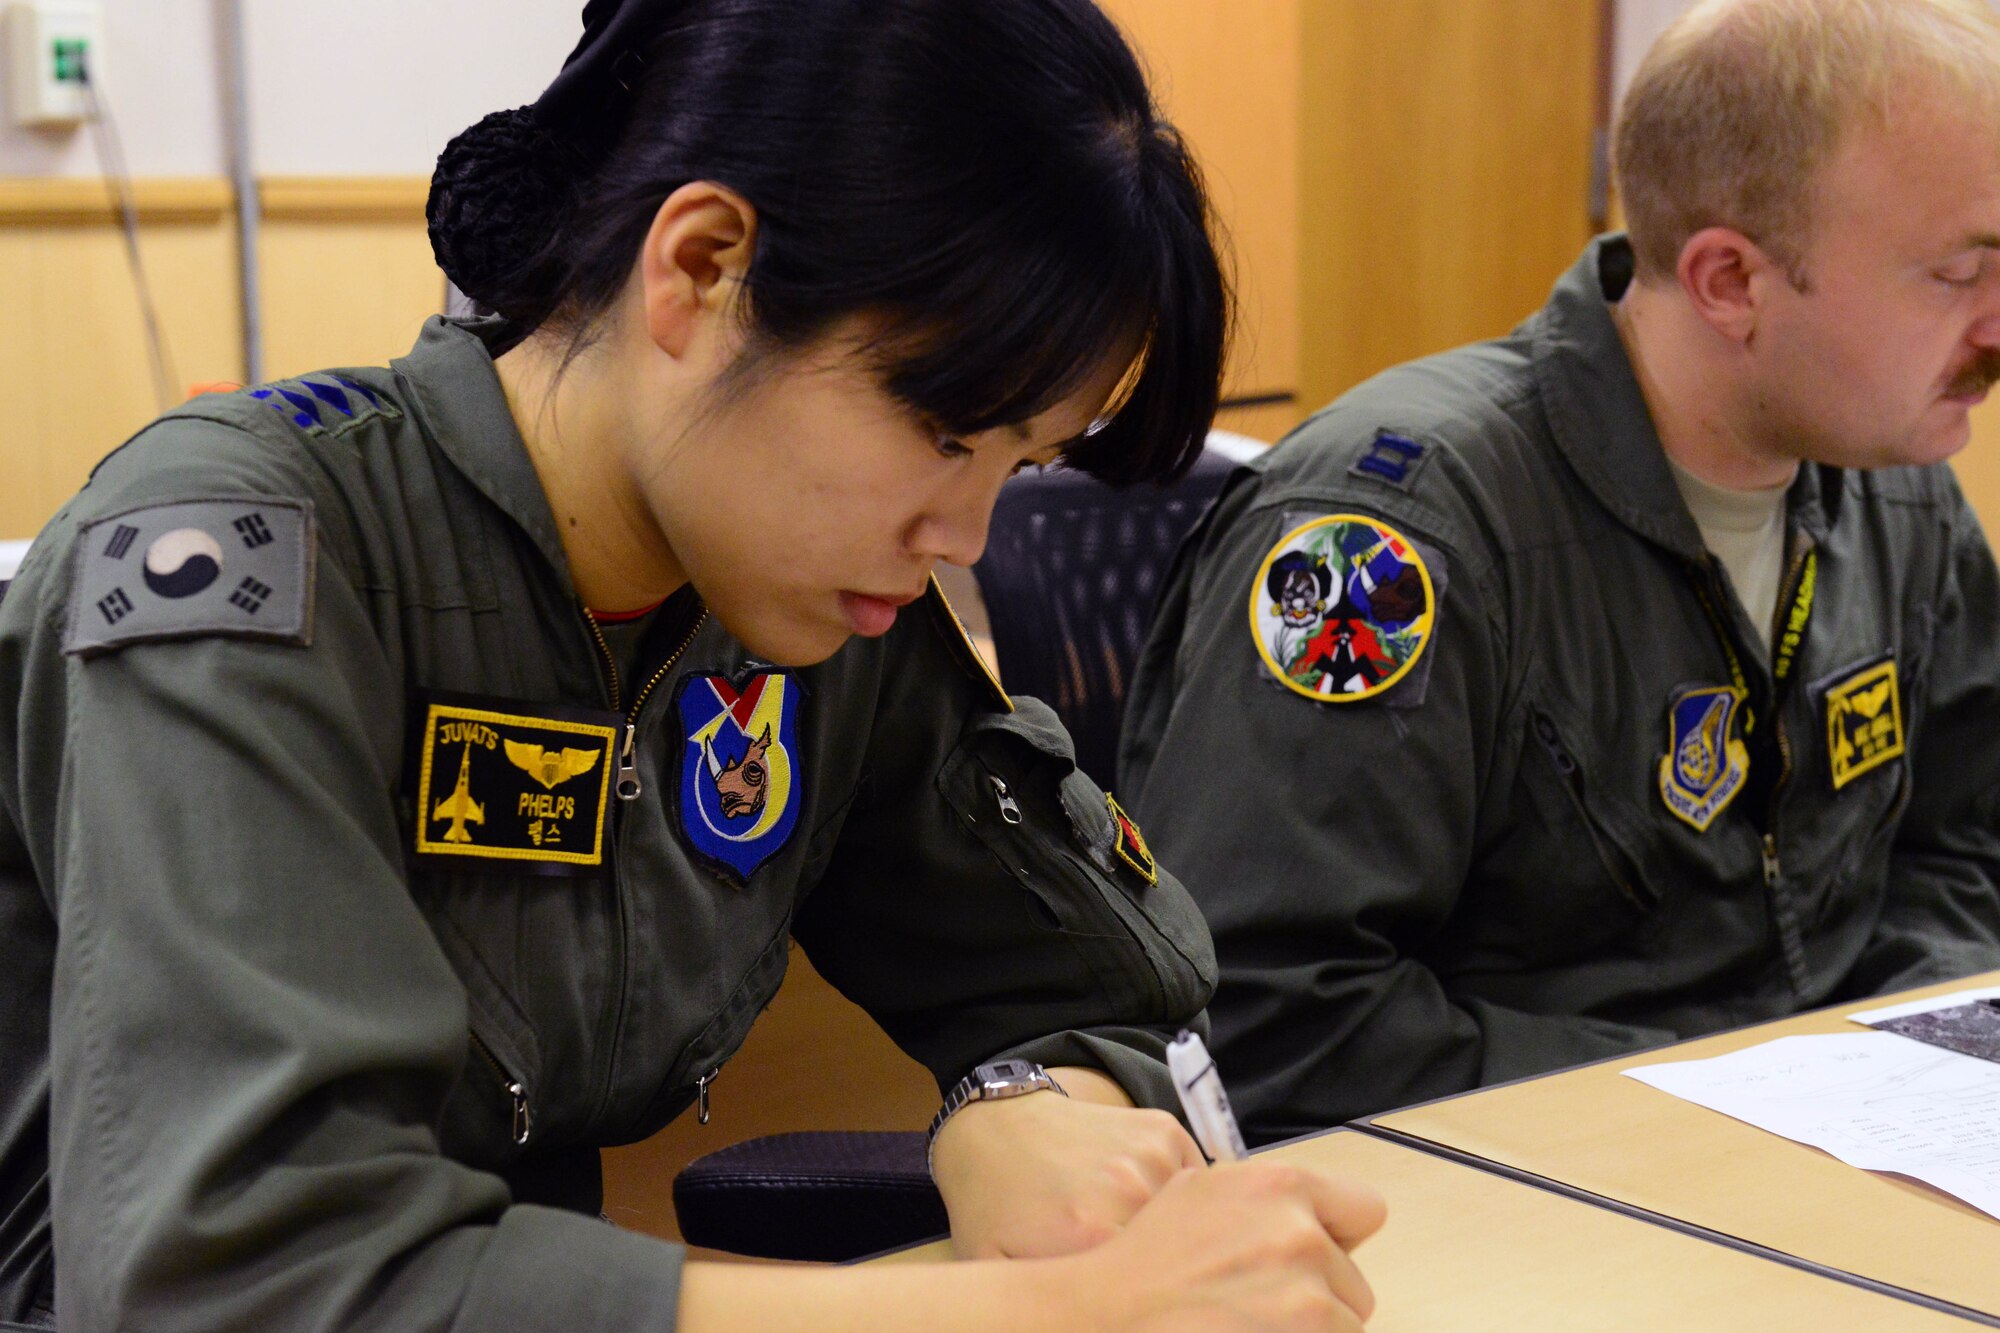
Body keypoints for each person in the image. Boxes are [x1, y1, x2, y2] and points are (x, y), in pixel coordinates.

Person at [0, 0, 1388, 1326]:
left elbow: (1119, 995)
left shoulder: (797, 601)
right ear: (703, 269)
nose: (962, 533)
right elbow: (247, 1279)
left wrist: (1023, 1109)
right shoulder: (241, 566)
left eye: (1019, 465)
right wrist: (1028, 1311)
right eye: (948, 429)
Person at [1119, 0, 2000, 1144]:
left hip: (1823, 1165)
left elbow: (1964, 839)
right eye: (1957, 273)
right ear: (1729, 280)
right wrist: (1737, 1101)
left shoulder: (1889, 477)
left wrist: (1882, 1068)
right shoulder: (1387, 540)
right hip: (1519, 1205)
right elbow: (1267, 1015)